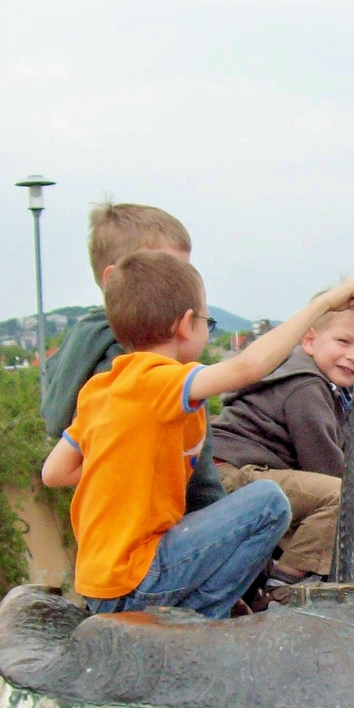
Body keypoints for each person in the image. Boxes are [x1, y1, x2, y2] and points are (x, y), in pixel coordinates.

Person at [41, 252, 354, 619]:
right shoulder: (161, 380)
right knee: (269, 502)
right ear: (187, 325)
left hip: (100, 585)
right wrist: (323, 305)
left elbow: (54, 473)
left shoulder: (101, 389)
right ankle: (203, 616)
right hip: (139, 579)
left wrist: (132, 471)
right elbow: (249, 366)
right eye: (208, 321)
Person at [40, 200, 225, 513]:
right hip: (159, 523)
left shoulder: (81, 349)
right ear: (114, 278)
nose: (183, 284)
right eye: (168, 271)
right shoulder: (134, 366)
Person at [208, 303, 354, 590]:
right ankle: (284, 583)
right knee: (343, 498)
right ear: (309, 340)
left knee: (319, 505)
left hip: (237, 471)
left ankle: (270, 579)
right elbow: (326, 467)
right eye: (343, 341)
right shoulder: (305, 386)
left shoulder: (321, 384)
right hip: (236, 473)